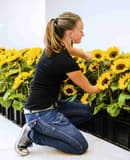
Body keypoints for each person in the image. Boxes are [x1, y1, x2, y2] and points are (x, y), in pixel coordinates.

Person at [14, 11, 101, 156]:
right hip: (39, 114)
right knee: (80, 146)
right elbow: (89, 88)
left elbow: (71, 49)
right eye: (81, 30)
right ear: (69, 33)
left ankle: (57, 129)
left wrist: (85, 56)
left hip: (52, 106)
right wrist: (107, 84)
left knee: (87, 112)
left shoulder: (56, 47)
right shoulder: (63, 60)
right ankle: (32, 134)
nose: (83, 34)